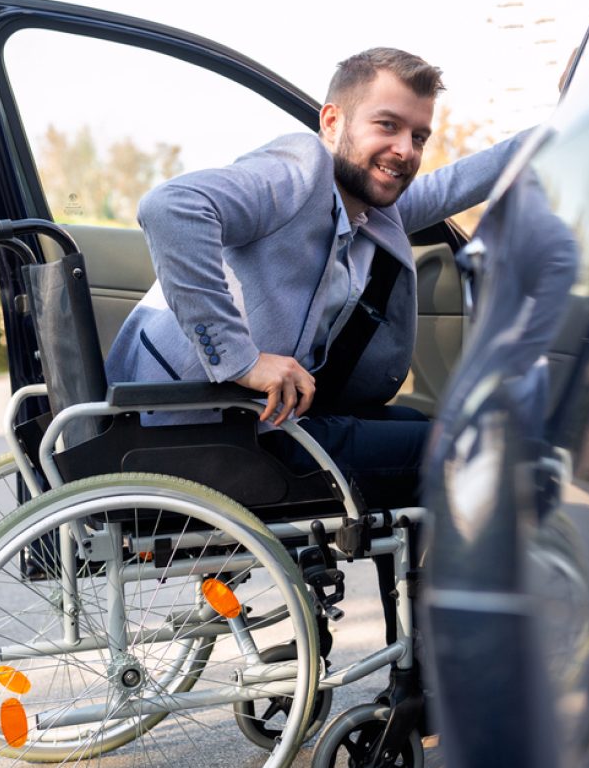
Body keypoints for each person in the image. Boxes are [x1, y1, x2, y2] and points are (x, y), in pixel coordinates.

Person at [106, 47, 528, 511]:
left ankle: (425, 579)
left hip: (258, 419)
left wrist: (565, 125)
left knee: (422, 423)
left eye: (419, 136)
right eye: (387, 125)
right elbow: (170, 208)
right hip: (197, 430)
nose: (406, 150)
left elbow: (453, 185)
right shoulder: (298, 170)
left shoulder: (367, 208)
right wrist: (241, 361)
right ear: (332, 122)